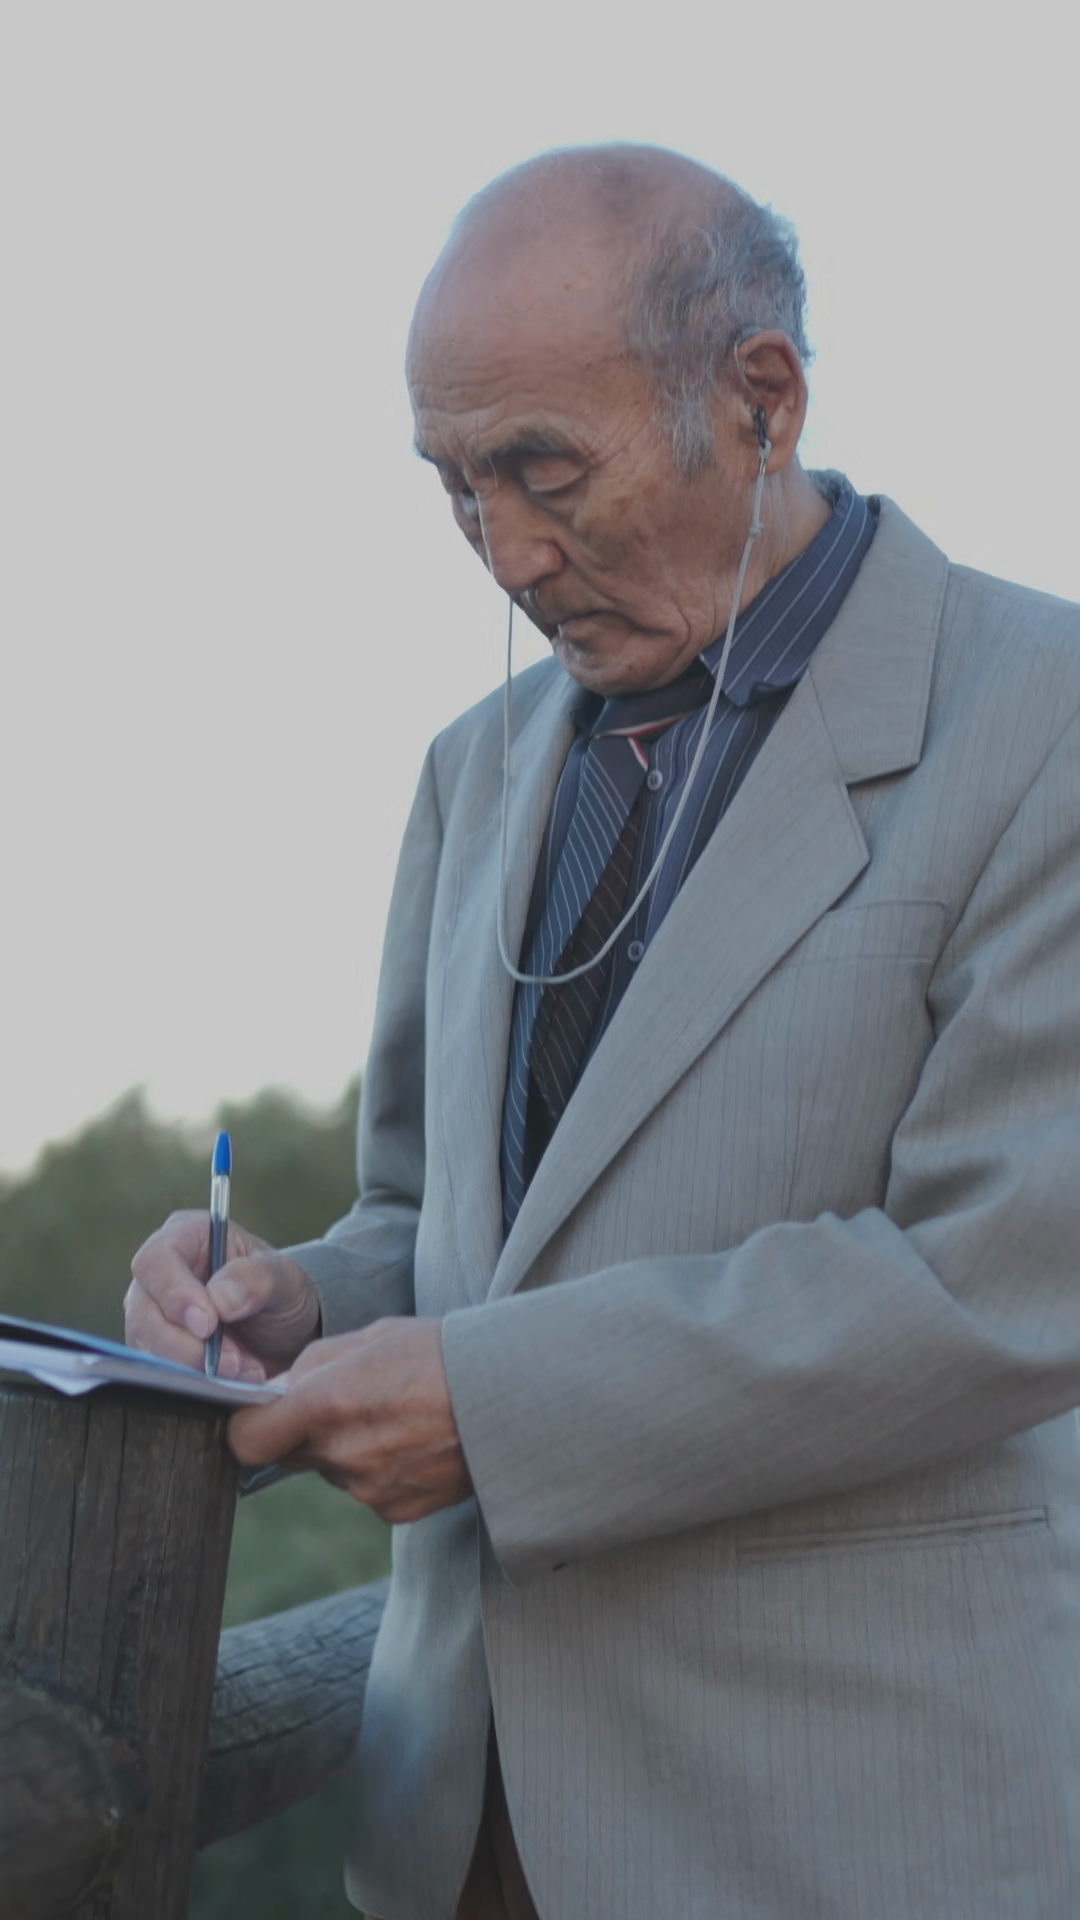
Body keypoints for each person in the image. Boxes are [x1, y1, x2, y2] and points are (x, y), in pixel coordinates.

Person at [127, 145, 1080, 1920]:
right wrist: (299, 1297)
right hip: (452, 1830)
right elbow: (443, 1224)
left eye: (544, 471)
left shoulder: (1050, 717)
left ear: (763, 397)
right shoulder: (469, 771)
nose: (509, 555)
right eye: (457, 488)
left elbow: (1008, 1278)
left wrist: (494, 1409)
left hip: (839, 1836)